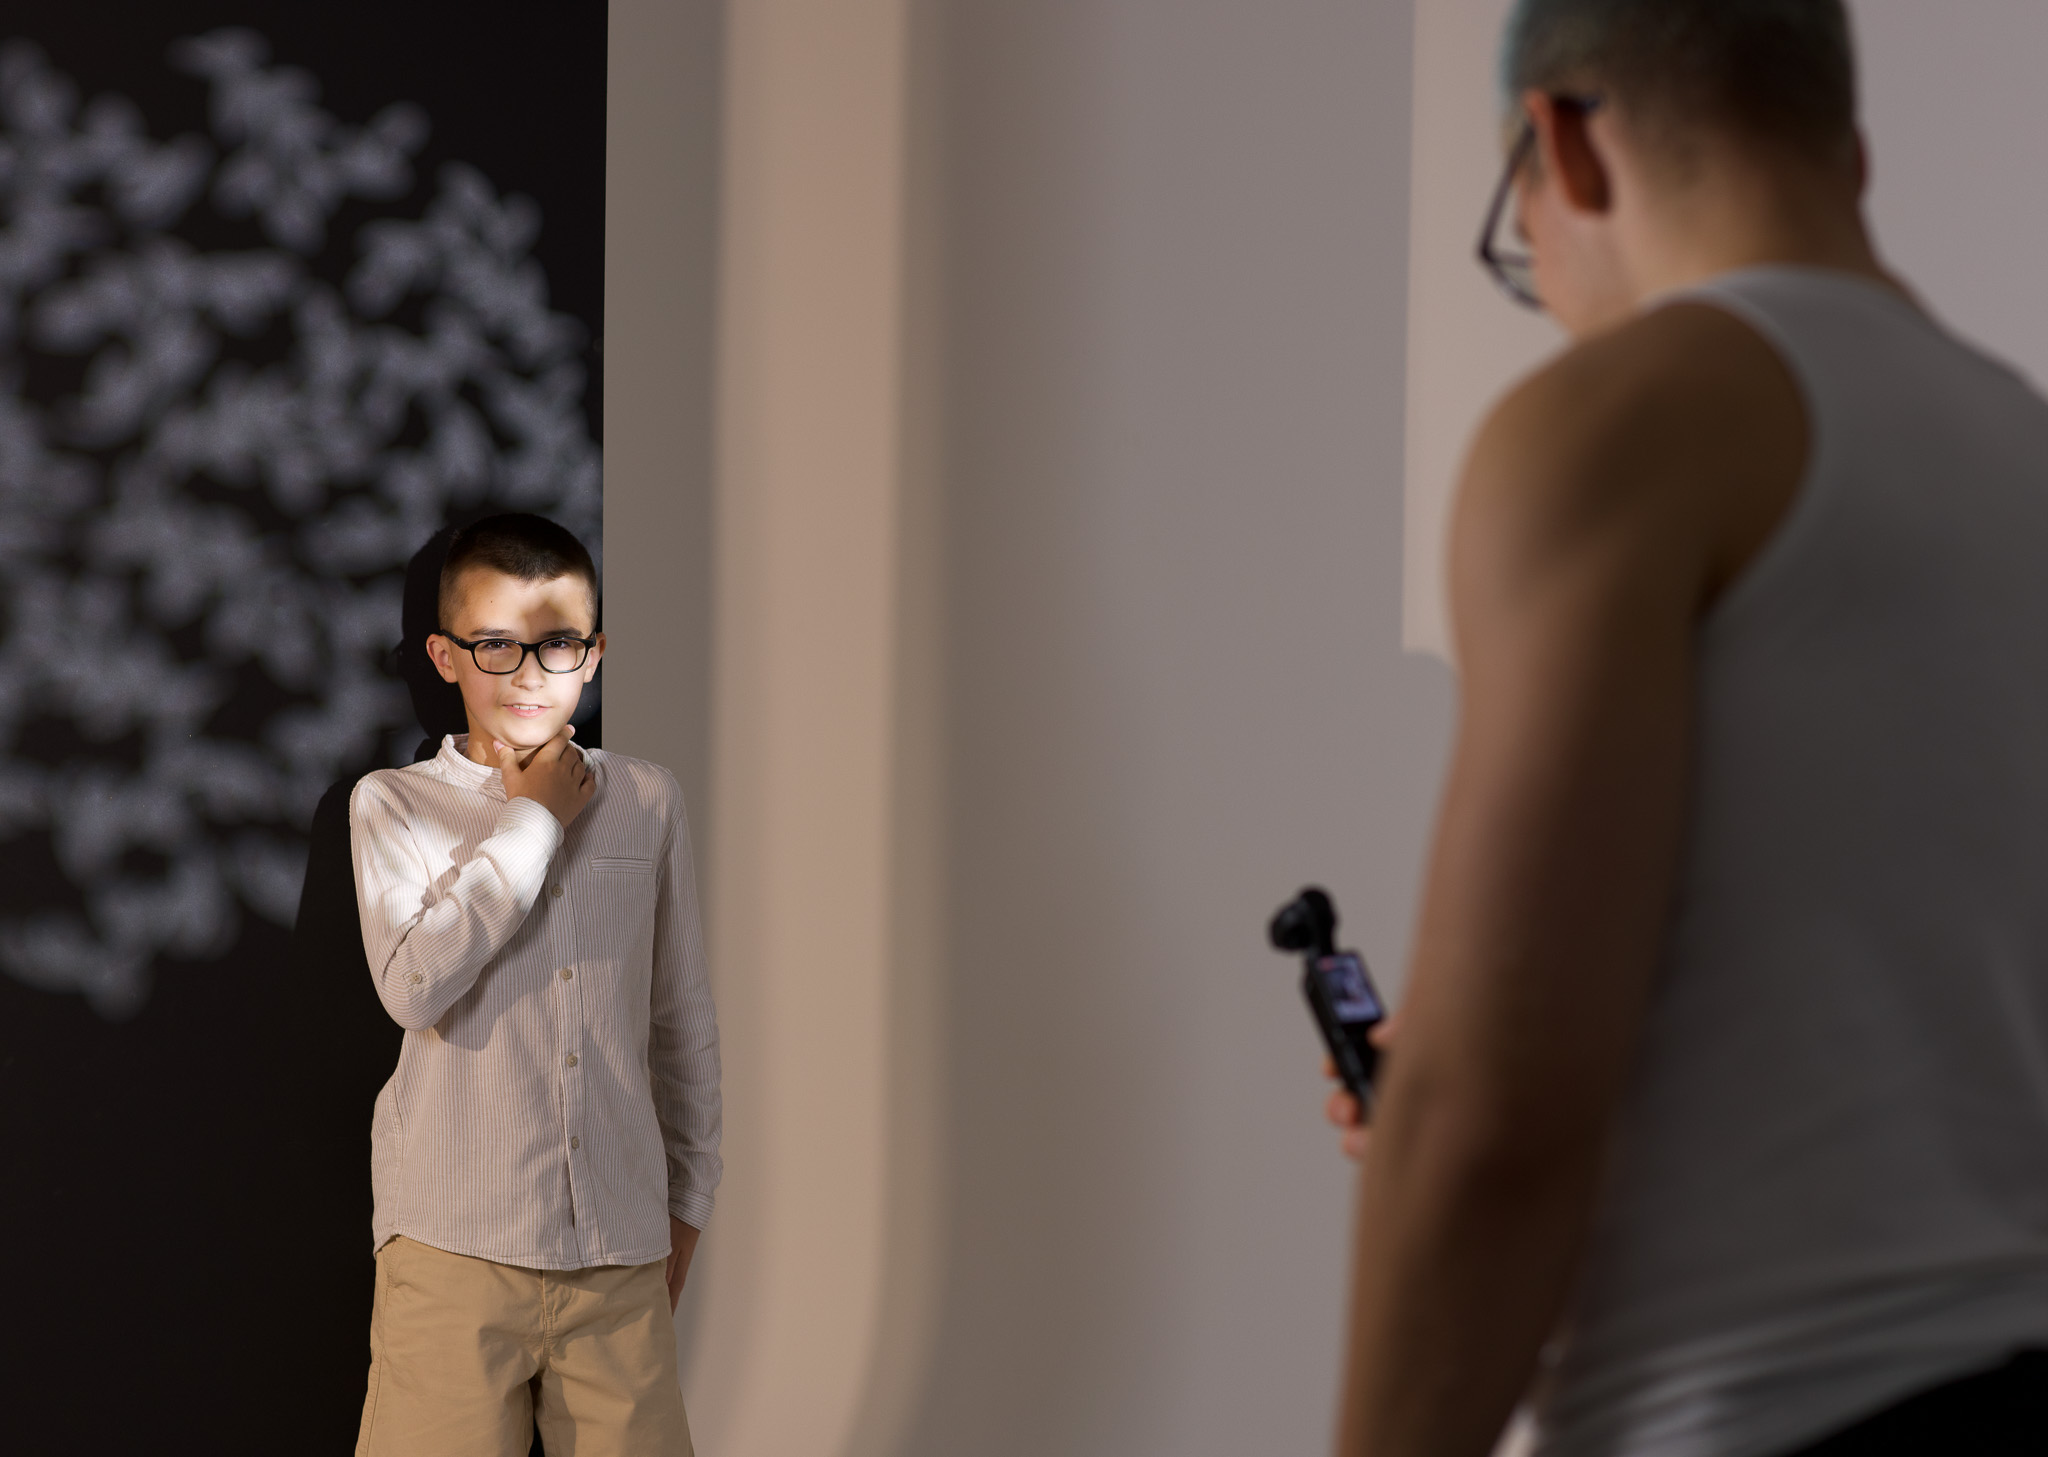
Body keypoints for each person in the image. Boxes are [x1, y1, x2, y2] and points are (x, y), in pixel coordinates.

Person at [1323, 2, 2048, 1455]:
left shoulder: (1619, 426)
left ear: (1565, 146)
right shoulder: (2018, 447)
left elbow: (1492, 1116)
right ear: (1847, 151)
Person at [350, 513, 719, 1456]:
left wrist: (688, 1200)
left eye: (555, 644)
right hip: (453, 1248)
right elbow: (413, 989)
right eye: (495, 645)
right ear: (446, 656)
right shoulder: (394, 804)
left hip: (617, 1250)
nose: (526, 675)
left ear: (593, 654)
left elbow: (680, 1018)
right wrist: (533, 823)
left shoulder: (648, 800)